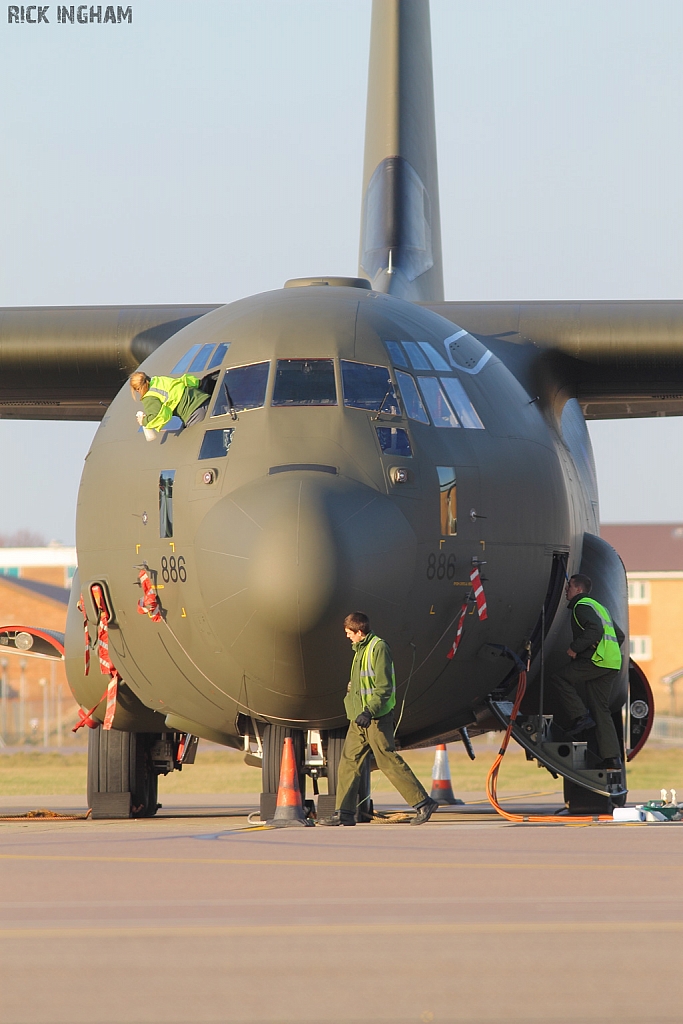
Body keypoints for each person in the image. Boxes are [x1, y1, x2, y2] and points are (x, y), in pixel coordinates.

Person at [319, 612, 439, 826]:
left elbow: (384, 687)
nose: (347, 637)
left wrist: (369, 712)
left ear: (359, 632)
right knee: (348, 763)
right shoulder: (359, 650)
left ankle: (423, 803)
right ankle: (344, 813)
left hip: (375, 718)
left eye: (349, 633)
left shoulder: (378, 648)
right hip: (359, 719)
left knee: (387, 760)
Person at [549, 573, 625, 770]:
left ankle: (581, 717)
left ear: (579, 590)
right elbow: (619, 635)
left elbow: (595, 630)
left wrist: (576, 648)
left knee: (560, 678)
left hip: (597, 661)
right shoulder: (599, 607)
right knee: (601, 710)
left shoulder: (581, 606)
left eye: (569, 587)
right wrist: (605, 650)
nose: (566, 589)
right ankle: (612, 758)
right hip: (611, 663)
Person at [129, 371, 210, 433]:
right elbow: (187, 381)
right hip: (206, 399)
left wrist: (143, 421)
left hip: (193, 413)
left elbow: (157, 416)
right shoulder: (159, 380)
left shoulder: (149, 397)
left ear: (138, 389)